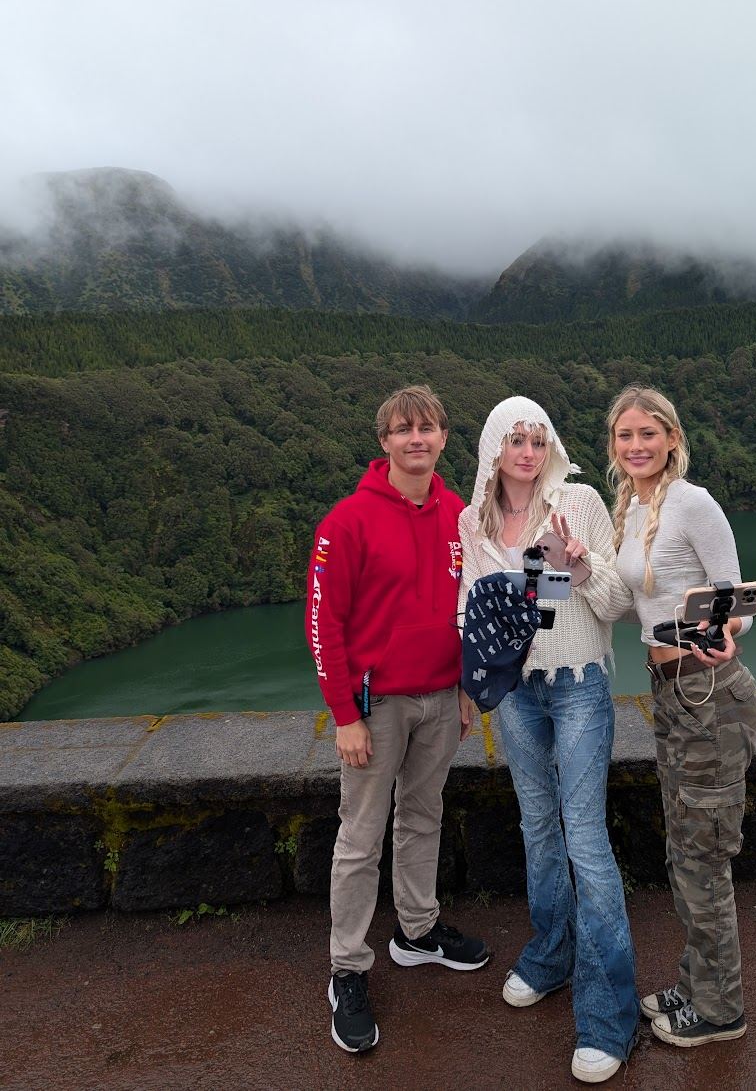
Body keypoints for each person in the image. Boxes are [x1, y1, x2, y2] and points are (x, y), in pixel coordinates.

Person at [459, 396, 639, 1086]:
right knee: (537, 826)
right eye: (514, 440)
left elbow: (617, 602)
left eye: (537, 439)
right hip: (516, 694)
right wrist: (473, 685)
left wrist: (580, 560)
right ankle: (551, 952)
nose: (527, 452)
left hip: (578, 685)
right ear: (493, 449)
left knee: (583, 838)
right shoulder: (471, 521)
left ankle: (607, 1016)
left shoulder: (580, 501)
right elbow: (472, 609)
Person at [305, 384, 490, 1056]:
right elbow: (323, 623)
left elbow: (476, 607)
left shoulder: (459, 516)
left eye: (428, 427)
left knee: (422, 817)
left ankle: (416, 931)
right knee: (360, 836)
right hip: (375, 705)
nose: (416, 437)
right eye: (403, 428)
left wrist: (470, 688)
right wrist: (343, 715)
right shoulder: (346, 521)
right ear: (383, 441)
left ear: (443, 437)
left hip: (442, 699)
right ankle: (347, 968)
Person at [606, 385, 756, 1048]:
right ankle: (697, 982)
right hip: (669, 692)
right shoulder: (632, 507)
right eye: (624, 436)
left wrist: (728, 628)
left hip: (708, 692)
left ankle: (721, 1011)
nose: (635, 446)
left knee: (701, 857)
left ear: (671, 437)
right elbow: (624, 607)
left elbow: (739, 602)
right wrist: (568, 565)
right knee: (683, 850)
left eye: (648, 433)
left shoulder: (692, 504)